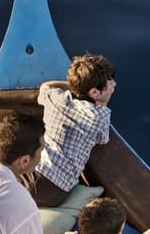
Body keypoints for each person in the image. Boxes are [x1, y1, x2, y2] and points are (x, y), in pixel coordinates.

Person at [23, 53, 117, 208]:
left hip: (33, 171)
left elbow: (46, 86)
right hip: (57, 190)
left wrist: (74, 86)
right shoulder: (100, 116)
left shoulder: (56, 98)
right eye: (110, 83)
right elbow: (103, 139)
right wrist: (102, 104)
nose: (114, 85)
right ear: (94, 92)